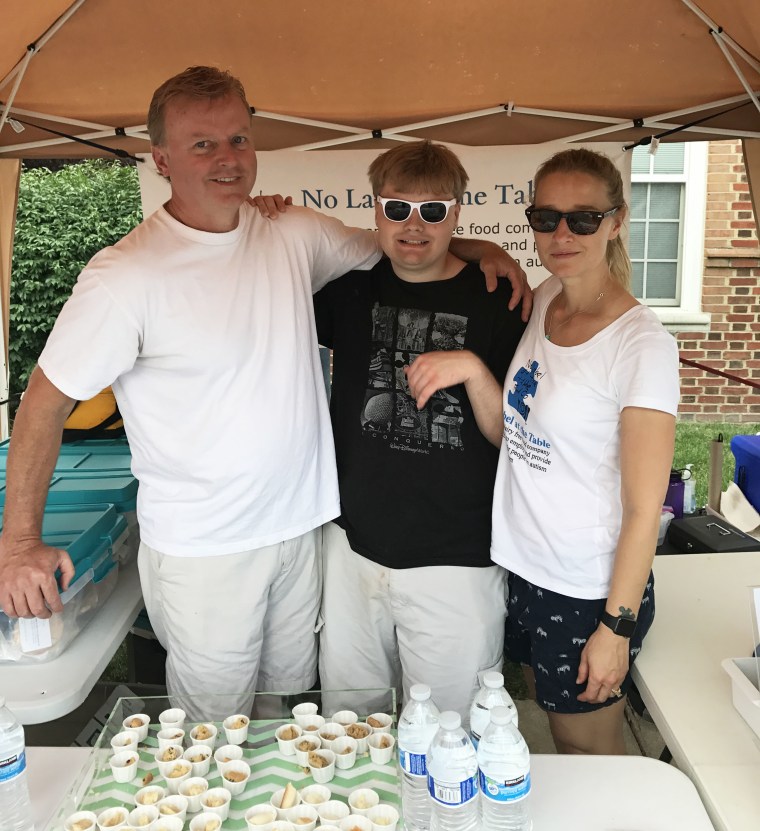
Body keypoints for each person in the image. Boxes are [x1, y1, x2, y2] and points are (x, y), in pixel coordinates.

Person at [0, 67, 528, 717]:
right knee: (214, 731)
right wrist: (19, 542)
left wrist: (479, 247)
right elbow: (43, 403)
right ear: (160, 159)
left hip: (301, 533)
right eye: (203, 145)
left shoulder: (292, 233)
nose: (227, 159)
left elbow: (406, 245)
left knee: (286, 713)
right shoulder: (125, 275)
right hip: (206, 554)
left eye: (239, 140)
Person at [311, 141, 526, 722]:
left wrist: (476, 372)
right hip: (354, 551)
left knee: (454, 736)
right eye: (397, 208)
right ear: (375, 210)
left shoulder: (498, 300)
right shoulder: (347, 287)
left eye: (433, 211)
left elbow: (516, 439)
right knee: (351, 732)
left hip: (455, 562)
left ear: (457, 212)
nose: (414, 226)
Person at [483, 148, 679, 754]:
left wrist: (614, 628)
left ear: (617, 220)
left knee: (590, 755)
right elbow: (515, 434)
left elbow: (645, 509)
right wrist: (484, 251)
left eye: (583, 219)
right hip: (526, 568)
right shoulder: (546, 298)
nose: (561, 234)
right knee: (552, 735)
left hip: (587, 588)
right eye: (545, 218)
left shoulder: (640, 344)